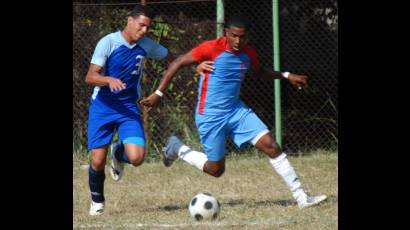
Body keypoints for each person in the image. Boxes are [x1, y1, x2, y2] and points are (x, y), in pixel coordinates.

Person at [140, 15, 327, 209]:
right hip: (210, 116)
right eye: (234, 36)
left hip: (236, 111)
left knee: (271, 145)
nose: (238, 41)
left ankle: (301, 197)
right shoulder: (211, 48)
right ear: (225, 33)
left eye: (243, 37)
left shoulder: (249, 53)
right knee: (216, 170)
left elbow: (259, 72)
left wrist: (286, 75)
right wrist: (158, 93)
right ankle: (177, 148)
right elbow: (178, 62)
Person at [84, 4, 172, 216]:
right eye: (141, 25)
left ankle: (118, 151)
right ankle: (97, 201)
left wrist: (195, 61)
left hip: (128, 109)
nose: (143, 31)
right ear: (130, 20)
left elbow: (173, 60)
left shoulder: (147, 45)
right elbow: (90, 77)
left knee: (137, 158)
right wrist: (108, 79)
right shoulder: (108, 42)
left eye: (147, 28)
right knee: (97, 160)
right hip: (103, 107)